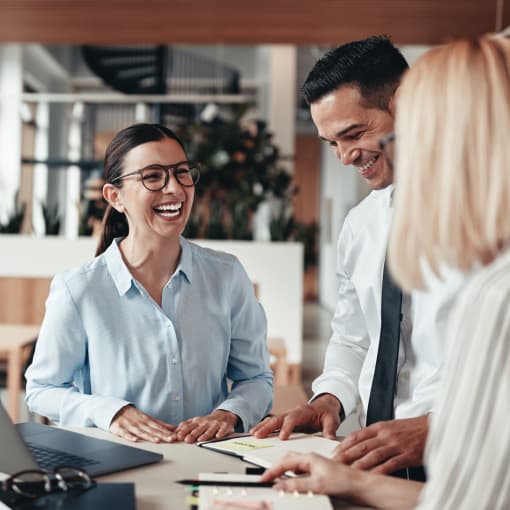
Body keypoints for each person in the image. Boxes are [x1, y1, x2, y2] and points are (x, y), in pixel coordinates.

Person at [261, 34, 510, 509]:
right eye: (331, 142)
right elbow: (354, 335)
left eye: (354, 134)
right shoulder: (362, 225)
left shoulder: (490, 232)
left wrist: (439, 427)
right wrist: (329, 398)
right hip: (375, 450)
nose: (345, 156)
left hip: (471, 448)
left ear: (407, 107)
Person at [25, 123, 273, 444]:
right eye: (153, 176)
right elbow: (42, 390)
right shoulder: (79, 289)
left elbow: (255, 378)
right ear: (115, 197)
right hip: (116, 461)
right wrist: (111, 412)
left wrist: (229, 414)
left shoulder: (226, 275)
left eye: (182, 172)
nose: (174, 188)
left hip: (210, 459)